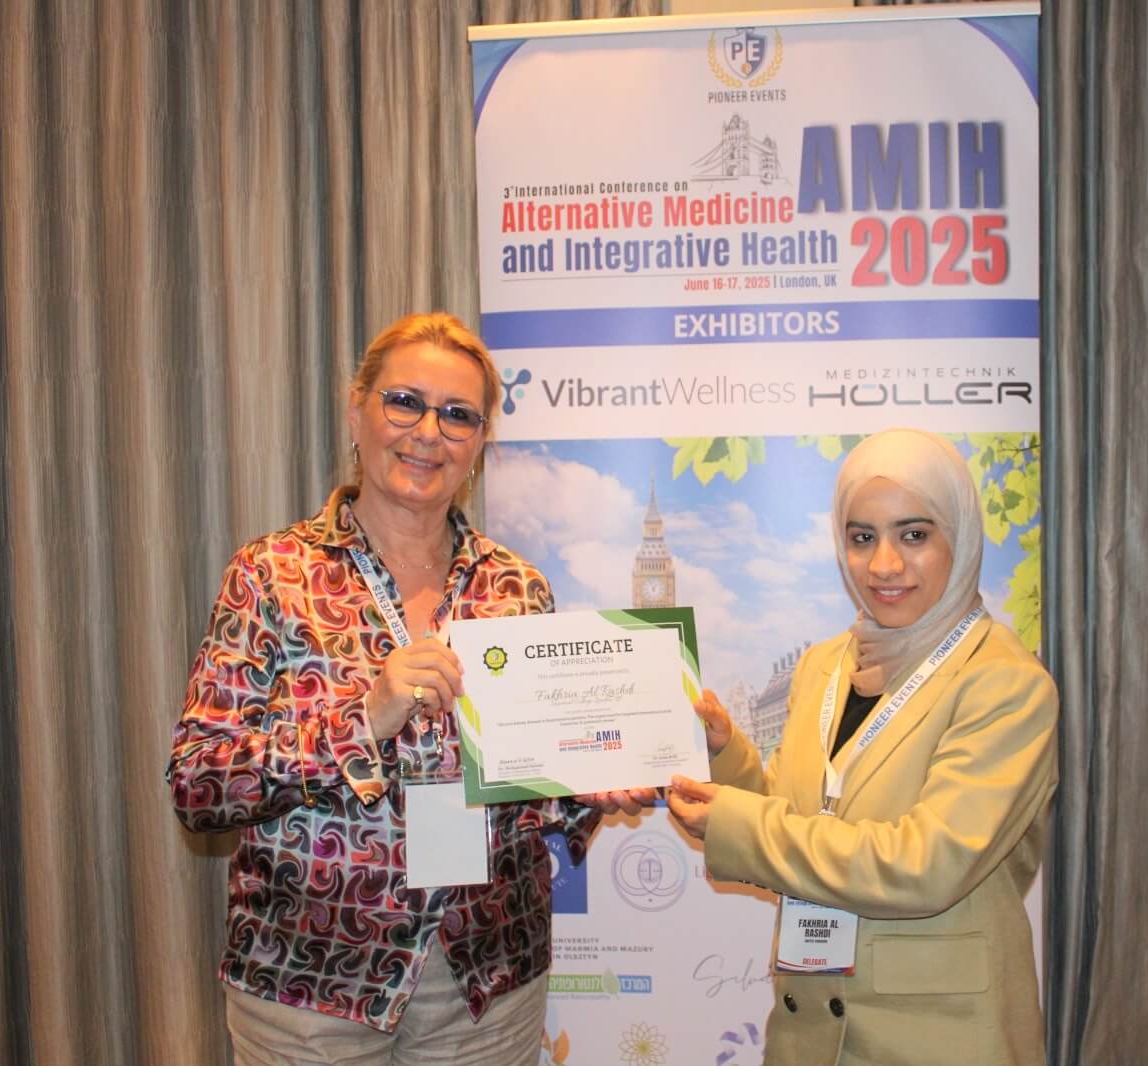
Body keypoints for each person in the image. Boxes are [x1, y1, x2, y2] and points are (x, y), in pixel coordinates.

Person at [169, 312, 650, 1065]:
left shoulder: (515, 586)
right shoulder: (271, 575)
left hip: (485, 983)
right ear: (356, 410)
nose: (429, 432)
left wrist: (593, 782)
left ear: (480, 442)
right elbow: (199, 785)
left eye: (459, 415)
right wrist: (362, 720)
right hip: (313, 983)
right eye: (405, 403)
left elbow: (529, 781)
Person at [667, 428, 1058, 1066]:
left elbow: (925, 866)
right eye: (862, 537)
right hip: (811, 1036)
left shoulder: (1006, 684)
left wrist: (739, 824)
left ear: (959, 537)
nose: (884, 565)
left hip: (940, 1041)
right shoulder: (825, 665)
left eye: (914, 534)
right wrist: (725, 756)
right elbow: (798, 821)